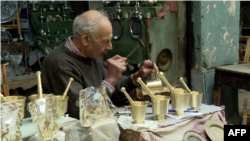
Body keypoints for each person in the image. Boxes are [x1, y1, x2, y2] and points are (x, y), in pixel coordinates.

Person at [41, 10, 158, 119]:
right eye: (105, 41)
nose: (110, 47)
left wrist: (137, 76)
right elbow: (81, 111)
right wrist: (110, 79)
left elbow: (111, 93)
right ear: (86, 38)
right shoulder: (59, 63)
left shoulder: (91, 55)